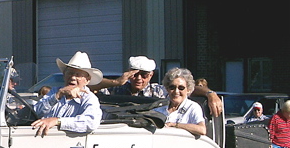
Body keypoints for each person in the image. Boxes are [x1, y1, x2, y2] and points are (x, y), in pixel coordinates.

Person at [93, 56, 223, 117]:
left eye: (143, 75)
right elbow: (90, 85)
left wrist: (210, 94)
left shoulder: (159, 91)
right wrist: (116, 82)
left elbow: (188, 89)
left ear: (151, 75)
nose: (139, 78)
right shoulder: (115, 90)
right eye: (134, 74)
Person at [32, 51, 103, 137]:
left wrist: (57, 121)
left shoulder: (89, 98)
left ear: (87, 80)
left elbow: (91, 122)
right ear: (64, 75)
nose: (72, 77)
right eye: (70, 73)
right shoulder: (55, 92)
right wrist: (57, 96)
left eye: (78, 75)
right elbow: (36, 111)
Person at [154, 67, 206, 136]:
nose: (176, 91)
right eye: (172, 87)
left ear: (188, 89)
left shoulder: (192, 107)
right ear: (167, 89)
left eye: (181, 88)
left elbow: (202, 130)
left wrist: (174, 125)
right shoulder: (160, 107)